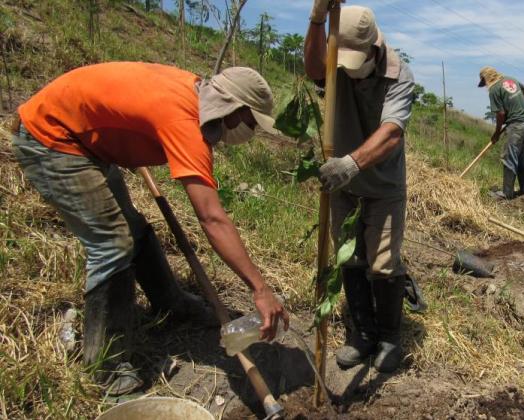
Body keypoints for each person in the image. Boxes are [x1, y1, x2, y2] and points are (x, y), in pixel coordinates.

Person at [10, 62, 289, 395]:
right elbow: (211, 218)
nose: (250, 132)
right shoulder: (183, 120)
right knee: (112, 243)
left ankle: (171, 304)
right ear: (229, 107)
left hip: (84, 136)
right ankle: (106, 369)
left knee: (133, 229)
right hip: (52, 138)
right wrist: (260, 288)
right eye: (249, 122)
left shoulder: (194, 94)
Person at [305, 3, 414, 373]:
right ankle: (362, 334)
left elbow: (391, 135)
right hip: (342, 186)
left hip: (381, 184)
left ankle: (389, 337)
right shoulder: (335, 59)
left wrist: (350, 165)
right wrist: (317, 20)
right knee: (349, 257)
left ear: (373, 49)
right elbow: (313, 69)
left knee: (383, 263)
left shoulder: (399, 75)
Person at [478, 66, 524, 199]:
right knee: (522, 158)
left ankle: (506, 193)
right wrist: (518, 107)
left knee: (509, 157)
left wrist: (496, 133)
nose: (485, 85)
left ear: (487, 78)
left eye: (484, 82)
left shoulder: (494, 89)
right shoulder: (511, 79)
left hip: (515, 125)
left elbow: (501, 114)